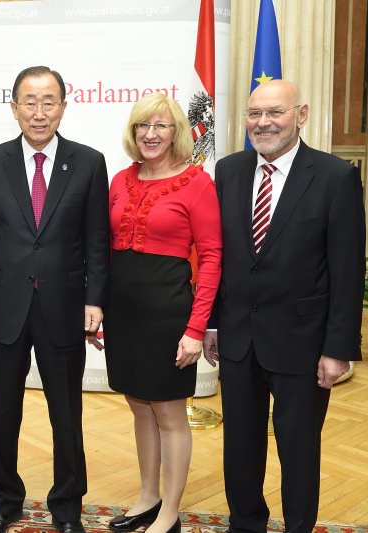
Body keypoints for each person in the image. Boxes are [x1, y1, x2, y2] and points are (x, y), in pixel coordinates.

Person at [203, 79, 364, 533]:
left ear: (301, 114)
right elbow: (219, 256)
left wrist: (338, 349)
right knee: (240, 447)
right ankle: (246, 524)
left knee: (297, 450)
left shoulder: (335, 177)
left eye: (275, 112)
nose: (263, 122)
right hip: (237, 338)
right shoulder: (228, 171)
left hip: (303, 344)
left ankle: (298, 527)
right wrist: (213, 323)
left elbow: (347, 272)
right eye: (255, 113)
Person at [0, 66, 108, 533]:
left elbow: (96, 241)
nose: (39, 111)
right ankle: (6, 498)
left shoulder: (88, 162)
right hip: (3, 306)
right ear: (14, 108)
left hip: (65, 306)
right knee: (2, 411)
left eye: (49, 102)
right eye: (30, 101)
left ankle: (67, 506)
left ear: (64, 107)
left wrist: (96, 299)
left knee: (66, 414)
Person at [102, 93, 221, 533]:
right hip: (123, 315)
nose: (150, 134)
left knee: (170, 414)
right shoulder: (119, 180)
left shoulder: (197, 183)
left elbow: (211, 258)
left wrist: (195, 329)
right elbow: (103, 250)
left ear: (177, 133)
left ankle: (169, 511)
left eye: (161, 126)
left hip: (169, 316)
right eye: (142, 126)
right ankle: (147, 495)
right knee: (139, 408)